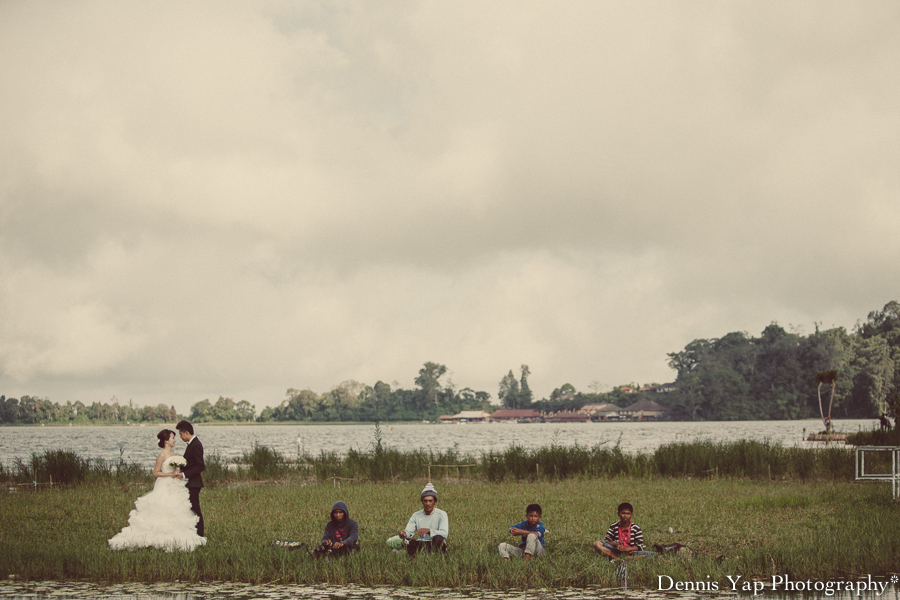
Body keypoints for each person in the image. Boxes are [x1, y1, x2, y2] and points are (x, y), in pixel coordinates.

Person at [108, 429, 207, 551]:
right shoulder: (162, 455)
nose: (175, 440)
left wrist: (179, 472)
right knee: (162, 508)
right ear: (166, 441)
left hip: (175, 485)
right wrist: (170, 474)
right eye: (172, 438)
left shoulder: (172, 452)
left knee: (176, 509)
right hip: (165, 484)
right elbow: (156, 473)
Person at [398, 483, 448, 555]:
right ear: (422, 501)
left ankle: (438, 556)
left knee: (438, 538)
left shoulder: (442, 514)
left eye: (430, 501)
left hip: (434, 543)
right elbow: (409, 532)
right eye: (425, 501)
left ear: (435, 502)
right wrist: (404, 533)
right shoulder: (416, 515)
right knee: (408, 542)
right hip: (421, 543)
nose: (428, 503)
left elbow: (444, 533)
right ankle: (414, 559)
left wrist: (429, 531)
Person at [174, 420, 205, 536]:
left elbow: (200, 465)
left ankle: (200, 534)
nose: (180, 437)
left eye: (181, 434)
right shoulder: (192, 444)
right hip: (190, 482)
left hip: (194, 483)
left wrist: (184, 475)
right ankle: (193, 532)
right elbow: (191, 464)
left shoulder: (196, 445)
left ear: (186, 433)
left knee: (195, 509)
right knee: (191, 509)